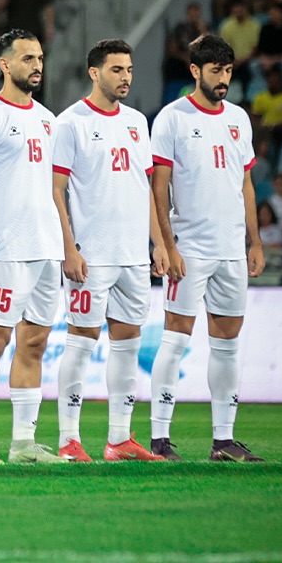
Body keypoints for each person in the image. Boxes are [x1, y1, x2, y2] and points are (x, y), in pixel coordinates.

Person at [150, 35, 266, 461]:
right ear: (195, 71)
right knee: (175, 339)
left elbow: (245, 184)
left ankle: (223, 441)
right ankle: (159, 440)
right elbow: (158, 187)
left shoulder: (238, 118)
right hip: (190, 249)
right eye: (216, 70)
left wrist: (254, 241)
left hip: (231, 249)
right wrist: (167, 244)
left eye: (228, 71)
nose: (223, 79)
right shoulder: (172, 118)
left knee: (228, 343)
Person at [52, 39, 169, 463]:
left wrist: (158, 242)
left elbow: (145, 188)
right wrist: (69, 248)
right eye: (117, 69)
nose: (125, 77)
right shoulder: (71, 123)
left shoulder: (137, 121)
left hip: (132, 256)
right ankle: (69, 439)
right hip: (92, 255)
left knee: (128, 342)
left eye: (129, 70)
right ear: (94, 72)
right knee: (81, 340)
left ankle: (119, 439)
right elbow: (56, 190)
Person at [0, 30, 67, 464]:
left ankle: (23, 444)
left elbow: (55, 187)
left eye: (39, 58)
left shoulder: (48, 119)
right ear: (4, 64)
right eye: (27, 59)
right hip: (4, 246)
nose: (37, 66)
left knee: (35, 341)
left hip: (46, 245)